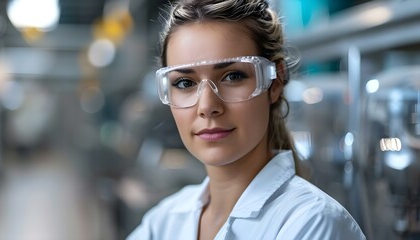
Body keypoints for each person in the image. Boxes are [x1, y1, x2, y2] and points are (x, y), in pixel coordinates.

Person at [128, 0, 366, 239]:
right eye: (185, 83)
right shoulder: (164, 221)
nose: (207, 106)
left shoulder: (313, 222)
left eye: (232, 76)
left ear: (275, 83)